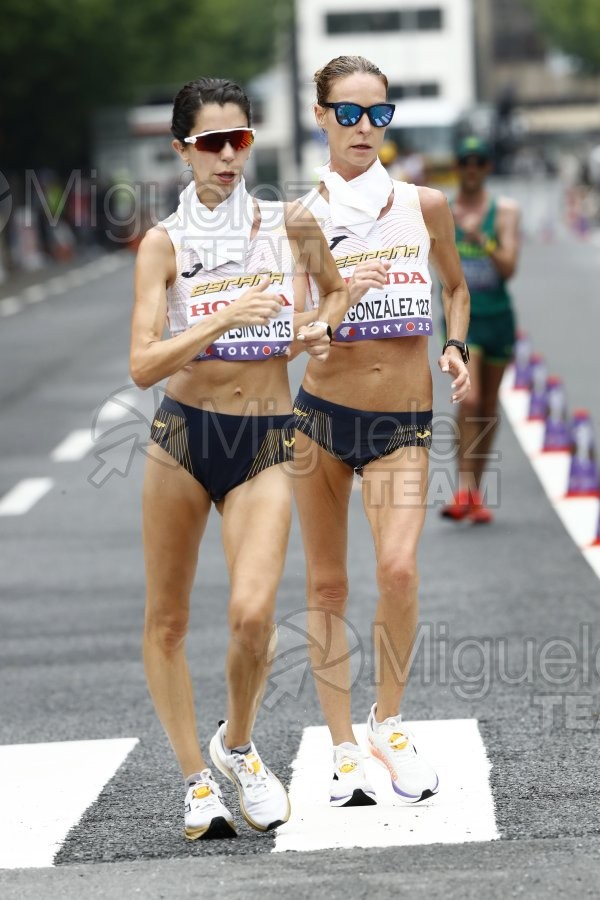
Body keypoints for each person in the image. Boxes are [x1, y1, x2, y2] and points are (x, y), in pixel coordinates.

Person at [129, 76, 348, 840]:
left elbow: (335, 295)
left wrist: (316, 329)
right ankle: (196, 780)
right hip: (185, 438)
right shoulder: (163, 243)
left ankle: (239, 744)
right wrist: (223, 317)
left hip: (264, 439)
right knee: (167, 619)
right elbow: (143, 364)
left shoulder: (290, 224)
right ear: (183, 150)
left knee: (253, 616)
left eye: (240, 139)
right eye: (211, 142)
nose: (227, 156)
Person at [292, 56, 470, 808]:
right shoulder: (302, 217)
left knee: (398, 570)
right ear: (321, 116)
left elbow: (455, 288)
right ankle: (341, 749)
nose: (365, 127)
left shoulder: (425, 204)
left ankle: (386, 721)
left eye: (379, 113)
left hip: (403, 418)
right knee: (327, 584)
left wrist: (454, 347)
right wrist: (329, 317)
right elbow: (294, 330)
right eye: (349, 112)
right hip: (321, 418)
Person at [441, 135, 520, 523]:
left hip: (498, 318)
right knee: (469, 401)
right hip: (464, 321)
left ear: (487, 167)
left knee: (488, 405)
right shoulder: (443, 211)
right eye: (465, 162)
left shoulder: (504, 212)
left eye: (478, 162)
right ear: (457, 167)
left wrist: (482, 240)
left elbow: (509, 268)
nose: (471, 169)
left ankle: (475, 490)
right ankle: (463, 487)